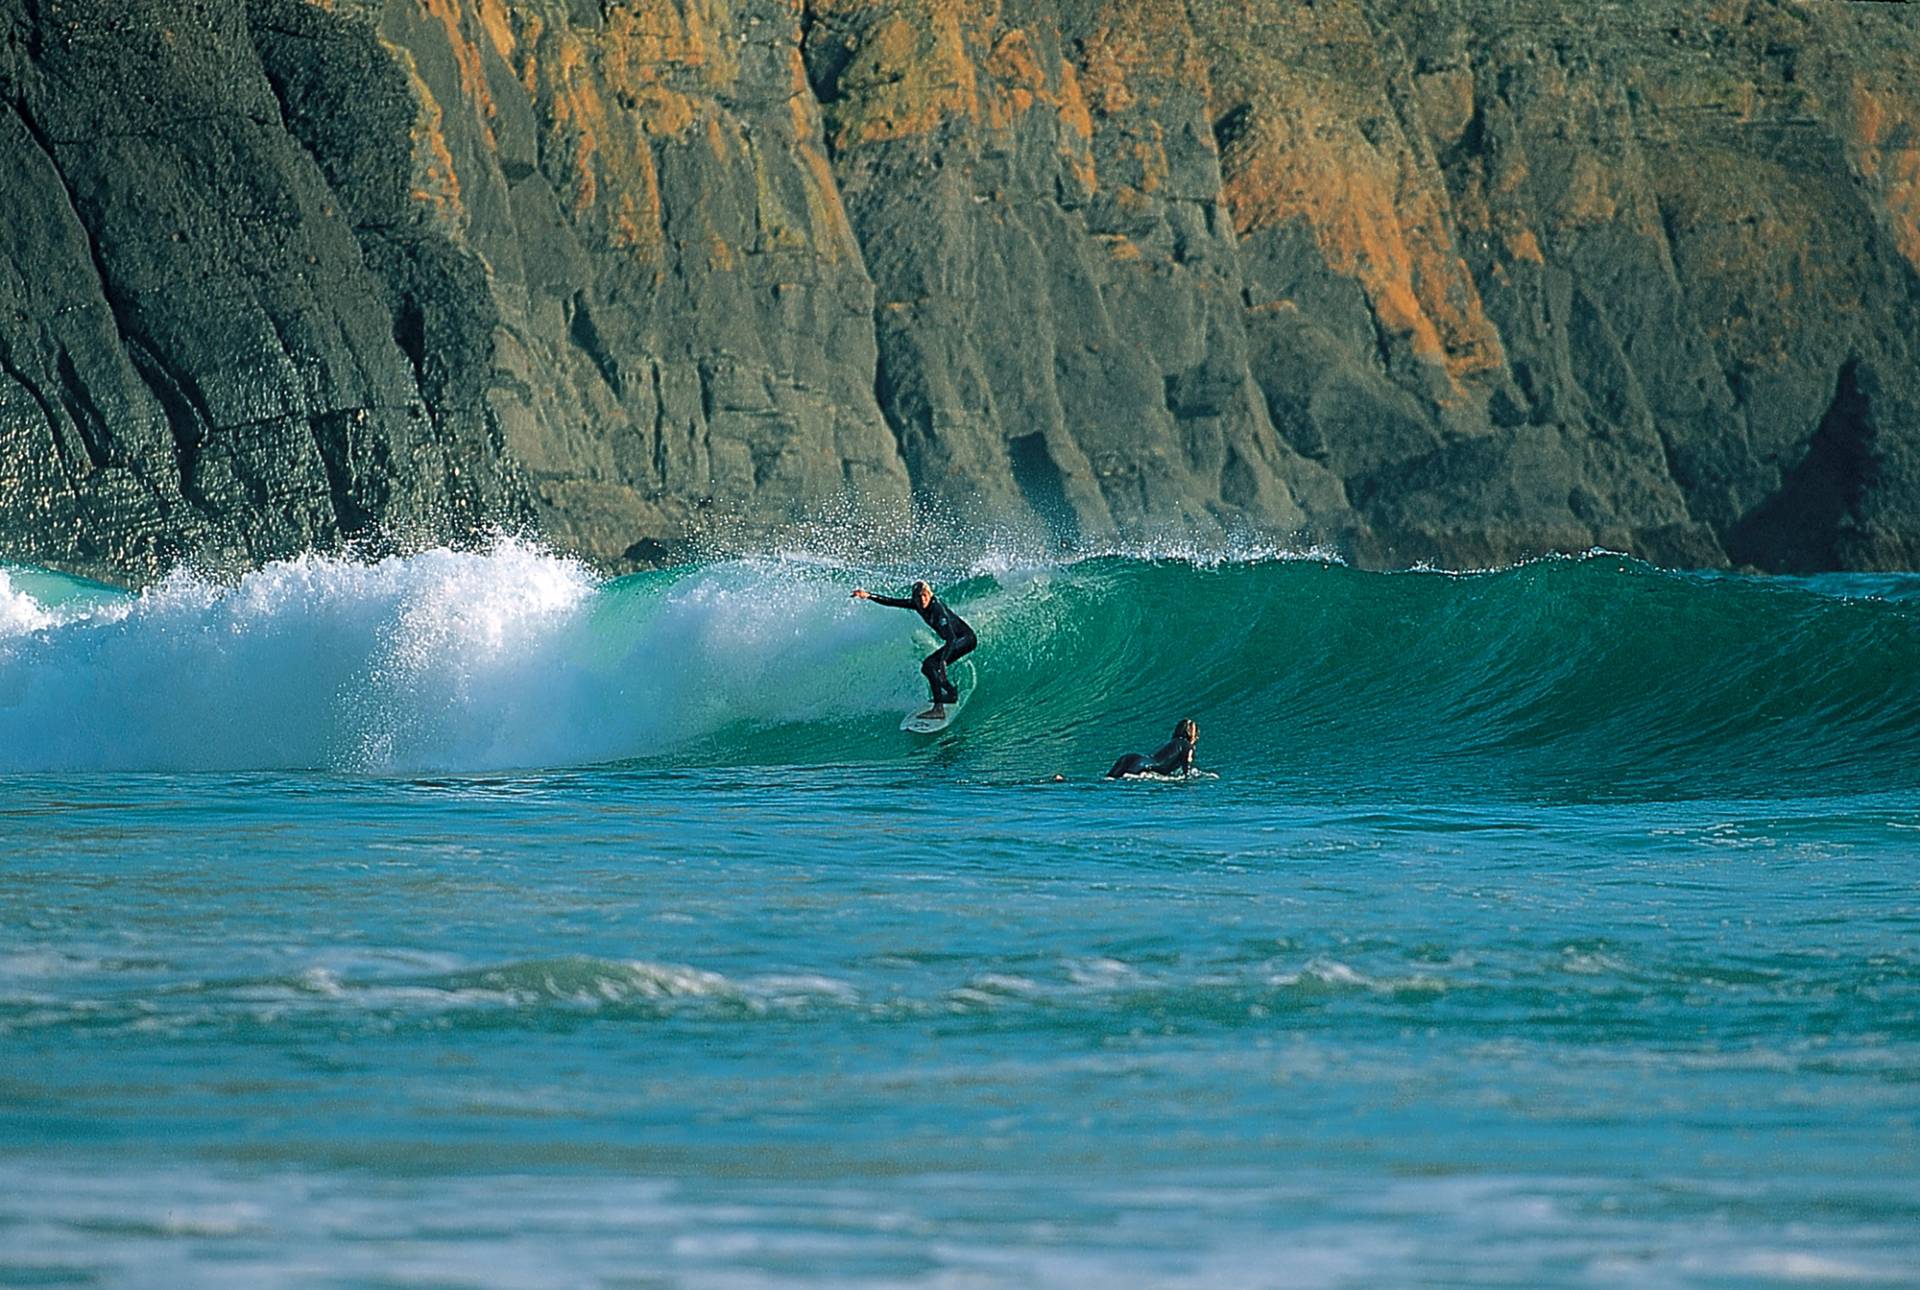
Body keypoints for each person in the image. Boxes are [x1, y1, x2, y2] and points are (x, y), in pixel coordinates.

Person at [851, 580, 978, 720]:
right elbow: (892, 602)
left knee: (931, 665)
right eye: (918, 597)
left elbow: (951, 639)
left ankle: (938, 709)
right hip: (957, 640)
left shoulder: (937, 610)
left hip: (965, 640)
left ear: (929, 594)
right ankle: (951, 693)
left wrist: (943, 661)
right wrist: (868, 595)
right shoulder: (917, 604)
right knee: (927, 668)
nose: (922, 600)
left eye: (924, 596)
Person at [1106, 719, 1200, 779]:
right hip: (1143, 765)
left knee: (1108, 781)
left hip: (1130, 758)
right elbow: (1187, 770)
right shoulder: (1187, 746)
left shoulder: (1168, 743)